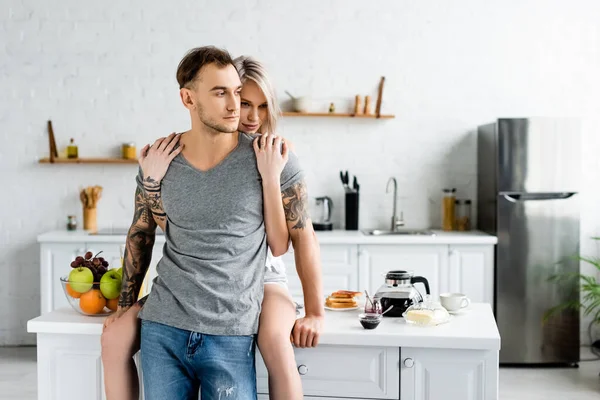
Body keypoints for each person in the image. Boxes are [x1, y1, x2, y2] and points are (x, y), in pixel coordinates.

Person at [101, 46, 324, 400]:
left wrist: (315, 312)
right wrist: (126, 307)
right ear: (188, 99)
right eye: (223, 93)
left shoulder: (274, 158)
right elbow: (145, 231)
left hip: (232, 326)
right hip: (164, 325)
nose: (237, 107)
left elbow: (291, 240)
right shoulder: (161, 159)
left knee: (276, 345)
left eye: (239, 93)